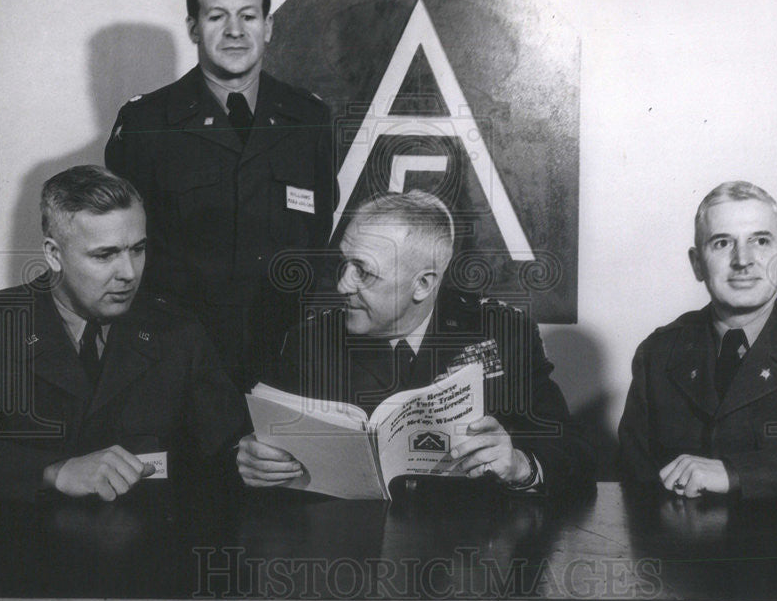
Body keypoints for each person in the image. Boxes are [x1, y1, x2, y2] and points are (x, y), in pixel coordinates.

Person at [237, 190, 595, 495]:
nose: (343, 284)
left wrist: (520, 465)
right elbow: (254, 448)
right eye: (343, 264)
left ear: (423, 284)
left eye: (363, 270)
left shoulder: (502, 332)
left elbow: (577, 458)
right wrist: (251, 461)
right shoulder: (309, 341)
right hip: (348, 558)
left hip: (468, 559)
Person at [0, 166, 250, 503]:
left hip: (148, 543)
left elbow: (224, 446)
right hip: (16, 545)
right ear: (53, 254)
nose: (129, 273)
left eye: (137, 249)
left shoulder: (177, 331)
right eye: (105, 255)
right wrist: (53, 472)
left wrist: (251, 460)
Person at [105, 0, 336, 391]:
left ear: (268, 27)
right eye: (217, 16)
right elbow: (124, 254)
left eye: (248, 16)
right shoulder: (146, 123)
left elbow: (316, 237)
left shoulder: (310, 118)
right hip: (174, 365)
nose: (235, 31)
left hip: (284, 362)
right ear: (193, 27)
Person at [618, 181, 777, 499]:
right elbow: (637, 483)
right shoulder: (659, 353)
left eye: (760, 241)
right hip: (683, 548)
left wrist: (735, 473)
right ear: (697, 264)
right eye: (721, 243)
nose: (743, 259)